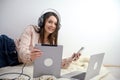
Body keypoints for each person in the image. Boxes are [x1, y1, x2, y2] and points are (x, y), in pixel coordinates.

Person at [0, 9, 81, 68]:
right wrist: (30, 56)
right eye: (50, 22)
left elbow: (57, 63)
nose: (53, 25)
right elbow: (22, 51)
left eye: (55, 24)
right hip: (6, 47)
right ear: (42, 22)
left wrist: (71, 59)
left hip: (15, 61)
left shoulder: (52, 42)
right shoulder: (31, 29)